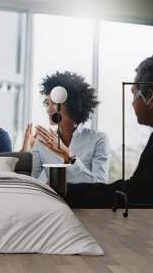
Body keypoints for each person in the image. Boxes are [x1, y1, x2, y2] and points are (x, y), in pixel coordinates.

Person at [65, 56, 153, 207]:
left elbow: (137, 193)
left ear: (150, 96)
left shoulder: (98, 139)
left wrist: (68, 192)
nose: (132, 103)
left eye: (133, 93)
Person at [22, 71, 110, 184]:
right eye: (47, 103)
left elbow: (100, 186)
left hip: (85, 202)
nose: (49, 110)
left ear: (73, 104)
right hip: (52, 201)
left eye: (54, 103)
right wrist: (25, 153)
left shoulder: (98, 139)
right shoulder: (43, 141)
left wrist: (68, 156)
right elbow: (28, 181)